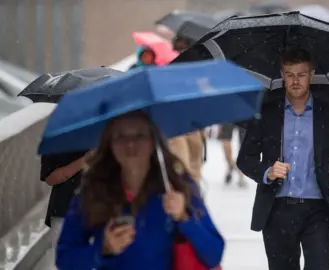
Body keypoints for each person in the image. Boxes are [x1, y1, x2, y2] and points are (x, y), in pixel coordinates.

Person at [236, 47, 329, 270]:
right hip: (277, 209)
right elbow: (245, 158)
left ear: (311, 74)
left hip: (319, 211)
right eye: (290, 74)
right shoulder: (266, 112)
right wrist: (267, 171)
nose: (295, 81)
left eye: (301, 74)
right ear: (282, 75)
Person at [56, 111, 224, 270]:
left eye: (140, 135)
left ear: (153, 141)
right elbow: (64, 258)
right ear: (110, 143)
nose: (130, 143)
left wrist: (184, 218)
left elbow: (214, 253)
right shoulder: (94, 190)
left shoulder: (176, 185)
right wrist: (102, 250)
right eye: (120, 136)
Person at [168, 35, 206, 184]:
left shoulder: (192, 67)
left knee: (190, 167)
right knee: (185, 168)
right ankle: (190, 197)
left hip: (190, 124)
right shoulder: (196, 66)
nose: (180, 50)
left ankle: (191, 198)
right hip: (182, 125)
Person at [40, 150, 93, 260]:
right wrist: (82, 161)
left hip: (97, 210)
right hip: (63, 210)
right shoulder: (56, 143)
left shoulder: (100, 139)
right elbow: (50, 179)